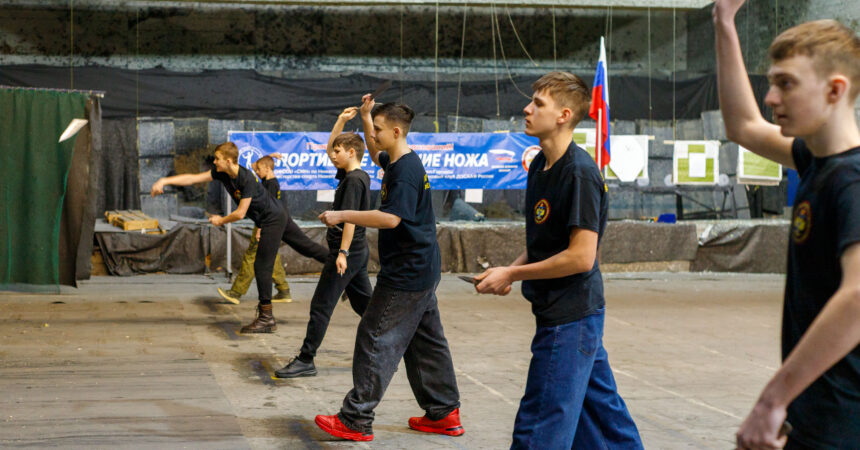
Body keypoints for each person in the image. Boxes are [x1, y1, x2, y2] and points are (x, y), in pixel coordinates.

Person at [713, 2, 860, 448]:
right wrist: (723, 23)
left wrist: (771, 400)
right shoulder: (815, 163)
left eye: (785, 84)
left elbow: (858, 297)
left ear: (836, 91)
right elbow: (742, 125)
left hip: (844, 422)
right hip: (816, 413)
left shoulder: (851, 181)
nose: (771, 97)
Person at [474, 71, 642, 449]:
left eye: (539, 103)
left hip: (571, 317)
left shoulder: (579, 172)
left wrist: (513, 272)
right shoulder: (540, 167)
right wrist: (509, 274)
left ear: (564, 115)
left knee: (540, 426)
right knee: (601, 424)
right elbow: (545, 242)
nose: (527, 108)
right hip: (564, 314)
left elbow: (582, 257)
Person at [313, 97, 463, 442]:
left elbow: (391, 218)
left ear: (396, 132)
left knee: (375, 336)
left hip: (408, 274)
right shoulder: (396, 160)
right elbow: (373, 142)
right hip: (422, 269)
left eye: (378, 130)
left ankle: (355, 418)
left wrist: (342, 215)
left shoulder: (406, 172)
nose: (372, 136)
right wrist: (367, 116)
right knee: (426, 342)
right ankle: (444, 412)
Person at [151, 142, 326, 334]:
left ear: (227, 160)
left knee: (261, 265)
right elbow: (193, 178)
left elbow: (241, 213)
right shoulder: (223, 172)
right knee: (306, 247)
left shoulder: (247, 179)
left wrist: (221, 220)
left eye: (217, 158)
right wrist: (164, 181)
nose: (214, 162)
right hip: (275, 215)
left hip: (272, 219)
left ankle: (266, 317)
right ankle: (344, 265)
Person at [274, 107, 373, 378]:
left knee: (321, 306)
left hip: (347, 252)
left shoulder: (354, 181)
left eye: (338, 152)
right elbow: (331, 147)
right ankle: (396, 342)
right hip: (357, 252)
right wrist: (341, 120)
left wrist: (341, 252)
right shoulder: (354, 175)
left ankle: (306, 359)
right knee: (367, 307)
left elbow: (350, 219)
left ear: (351, 152)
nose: (332, 155)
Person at [217, 156, 291, 304]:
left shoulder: (270, 185)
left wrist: (260, 229)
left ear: (268, 169)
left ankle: (236, 292)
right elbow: (255, 164)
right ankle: (284, 291)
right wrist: (271, 156)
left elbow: (267, 210)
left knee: (251, 257)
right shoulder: (268, 180)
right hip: (269, 225)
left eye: (259, 169)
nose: (256, 171)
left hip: (264, 225)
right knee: (272, 257)